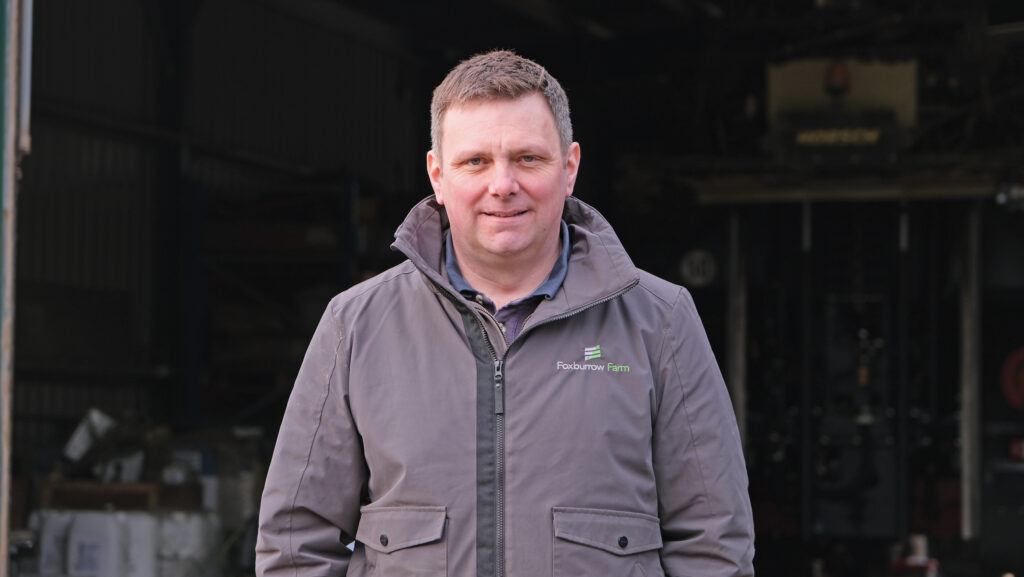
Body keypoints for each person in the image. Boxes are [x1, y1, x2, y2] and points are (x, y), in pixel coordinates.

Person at [256, 49, 755, 577]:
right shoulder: (356, 325)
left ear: (569, 168)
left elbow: (714, 545)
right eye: (475, 161)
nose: (502, 185)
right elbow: (295, 544)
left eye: (528, 159)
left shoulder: (661, 322)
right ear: (437, 176)